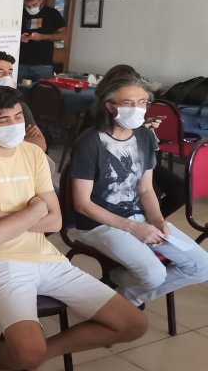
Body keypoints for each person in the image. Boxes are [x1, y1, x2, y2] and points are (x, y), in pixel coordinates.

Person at [0, 86, 147, 371]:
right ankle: (15, 359)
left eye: (18, 117)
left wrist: (4, 216)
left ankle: (32, 355)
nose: (14, 125)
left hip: (47, 258)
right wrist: (36, 209)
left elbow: (56, 222)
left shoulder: (33, 154)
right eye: (4, 120)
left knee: (133, 324)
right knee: (28, 353)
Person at [69, 73, 208, 307]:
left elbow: (145, 189)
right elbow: (82, 205)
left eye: (142, 102)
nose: (137, 109)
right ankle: (116, 280)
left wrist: (157, 220)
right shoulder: (90, 142)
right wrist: (133, 228)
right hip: (99, 224)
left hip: (139, 218)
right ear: (110, 106)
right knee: (154, 275)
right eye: (128, 103)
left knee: (201, 266)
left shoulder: (144, 136)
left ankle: (127, 297)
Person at [77, 64, 186, 218]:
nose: (136, 106)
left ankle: (147, 220)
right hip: (107, 162)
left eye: (142, 101)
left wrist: (144, 126)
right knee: (151, 191)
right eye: (127, 101)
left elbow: (140, 143)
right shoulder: (94, 126)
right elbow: (104, 140)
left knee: (177, 190)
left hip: (135, 158)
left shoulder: (140, 129)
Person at [19, 0, 66, 82]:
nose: (31, 8)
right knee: (18, 88)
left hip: (43, 64)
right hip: (21, 62)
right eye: (28, 6)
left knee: (42, 89)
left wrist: (42, 37)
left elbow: (63, 35)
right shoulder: (20, 12)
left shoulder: (52, 13)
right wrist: (20, 37)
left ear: (41, 0)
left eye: (34, 5)